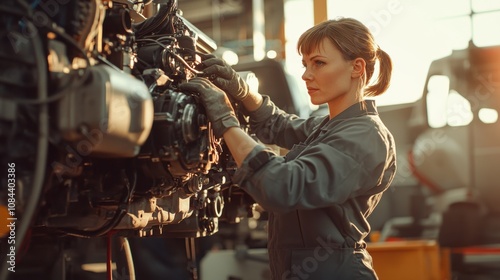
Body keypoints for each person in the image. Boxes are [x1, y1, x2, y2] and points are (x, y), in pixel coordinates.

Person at [179, 17, 397, 280]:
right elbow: (279, 125)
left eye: (319, 63)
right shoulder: (330, 126)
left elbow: (284, 185)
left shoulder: (366, 135)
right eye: (305, 64)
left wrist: (226, 121)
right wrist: (244, 92)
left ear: (357, 67)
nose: (306, 74)